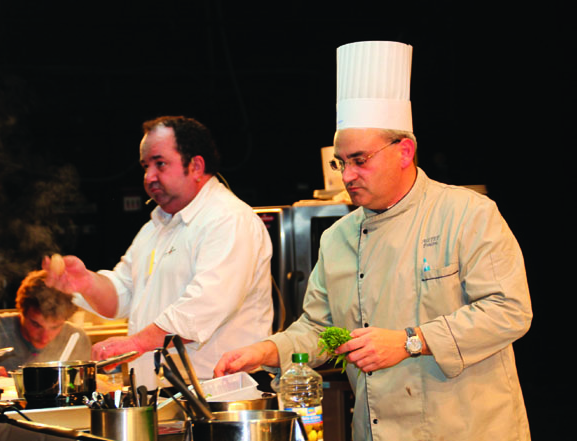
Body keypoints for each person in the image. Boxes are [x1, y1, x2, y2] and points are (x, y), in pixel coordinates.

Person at [214, 41, 532, 441]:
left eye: (359, 160)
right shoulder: (338, 239)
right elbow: (321, 329)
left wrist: (409, 341)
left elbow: (509, 311)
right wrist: (265, 351)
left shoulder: (468, 214)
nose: (347, 176)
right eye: (340, 162)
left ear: (405, 151)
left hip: (468, 427)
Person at [43, 115, 273, 390]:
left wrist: (134, 343)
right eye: (145, 166)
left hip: (222, 394)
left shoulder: (228, 219)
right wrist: (87, 283)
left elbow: (203, 308)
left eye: (160, 164)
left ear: (196, 166)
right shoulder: (155, 228)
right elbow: (122, 295)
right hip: (163, 393)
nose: (149, 176)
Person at [0, 269, 91, 377]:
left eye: (55, 327)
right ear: (21, 312)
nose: (44, 337)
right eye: (36, 325)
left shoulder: (75, 338)